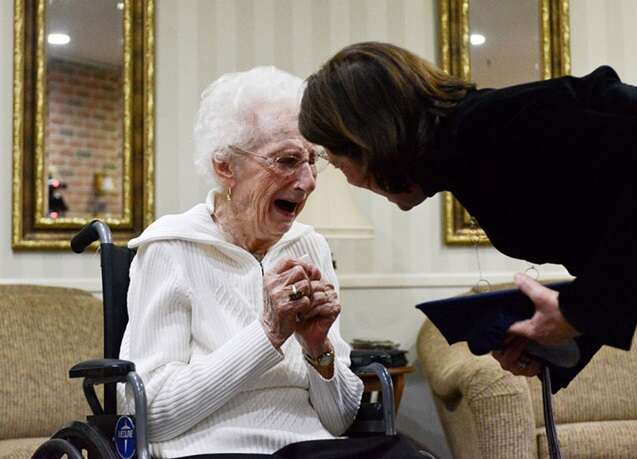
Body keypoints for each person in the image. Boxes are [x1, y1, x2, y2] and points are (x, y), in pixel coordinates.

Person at [298, 41, 637, 392]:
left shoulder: (486, 129)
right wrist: (563, 345)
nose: (347, 178)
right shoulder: (470, 148)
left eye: (333, 158)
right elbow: (630, 229)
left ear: (367, 140)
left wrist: (579, 313)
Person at [118, 66, 424, 458]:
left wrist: (317, 348)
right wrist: (267, 334)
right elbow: (151, 414)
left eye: (312, 160)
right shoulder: (171, 247)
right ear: (225, 166)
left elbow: (341, 420)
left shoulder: (309, 246)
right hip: (217, 451)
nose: (309, 180)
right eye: (287, 160)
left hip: (313, 449)